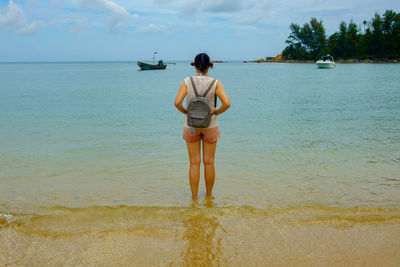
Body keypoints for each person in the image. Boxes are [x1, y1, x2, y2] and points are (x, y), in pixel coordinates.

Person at [174, 53, 231, 199]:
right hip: (210, 125)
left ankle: (194, 198)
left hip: (191, 125)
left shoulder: (187, 81)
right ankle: (209, 196)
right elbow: (227, 103)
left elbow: (177, 103)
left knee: (194, 163)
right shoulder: (215, 83)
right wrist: (216, 112)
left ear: (194, 65)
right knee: (209, 163)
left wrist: (186, 112)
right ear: (208, 66)